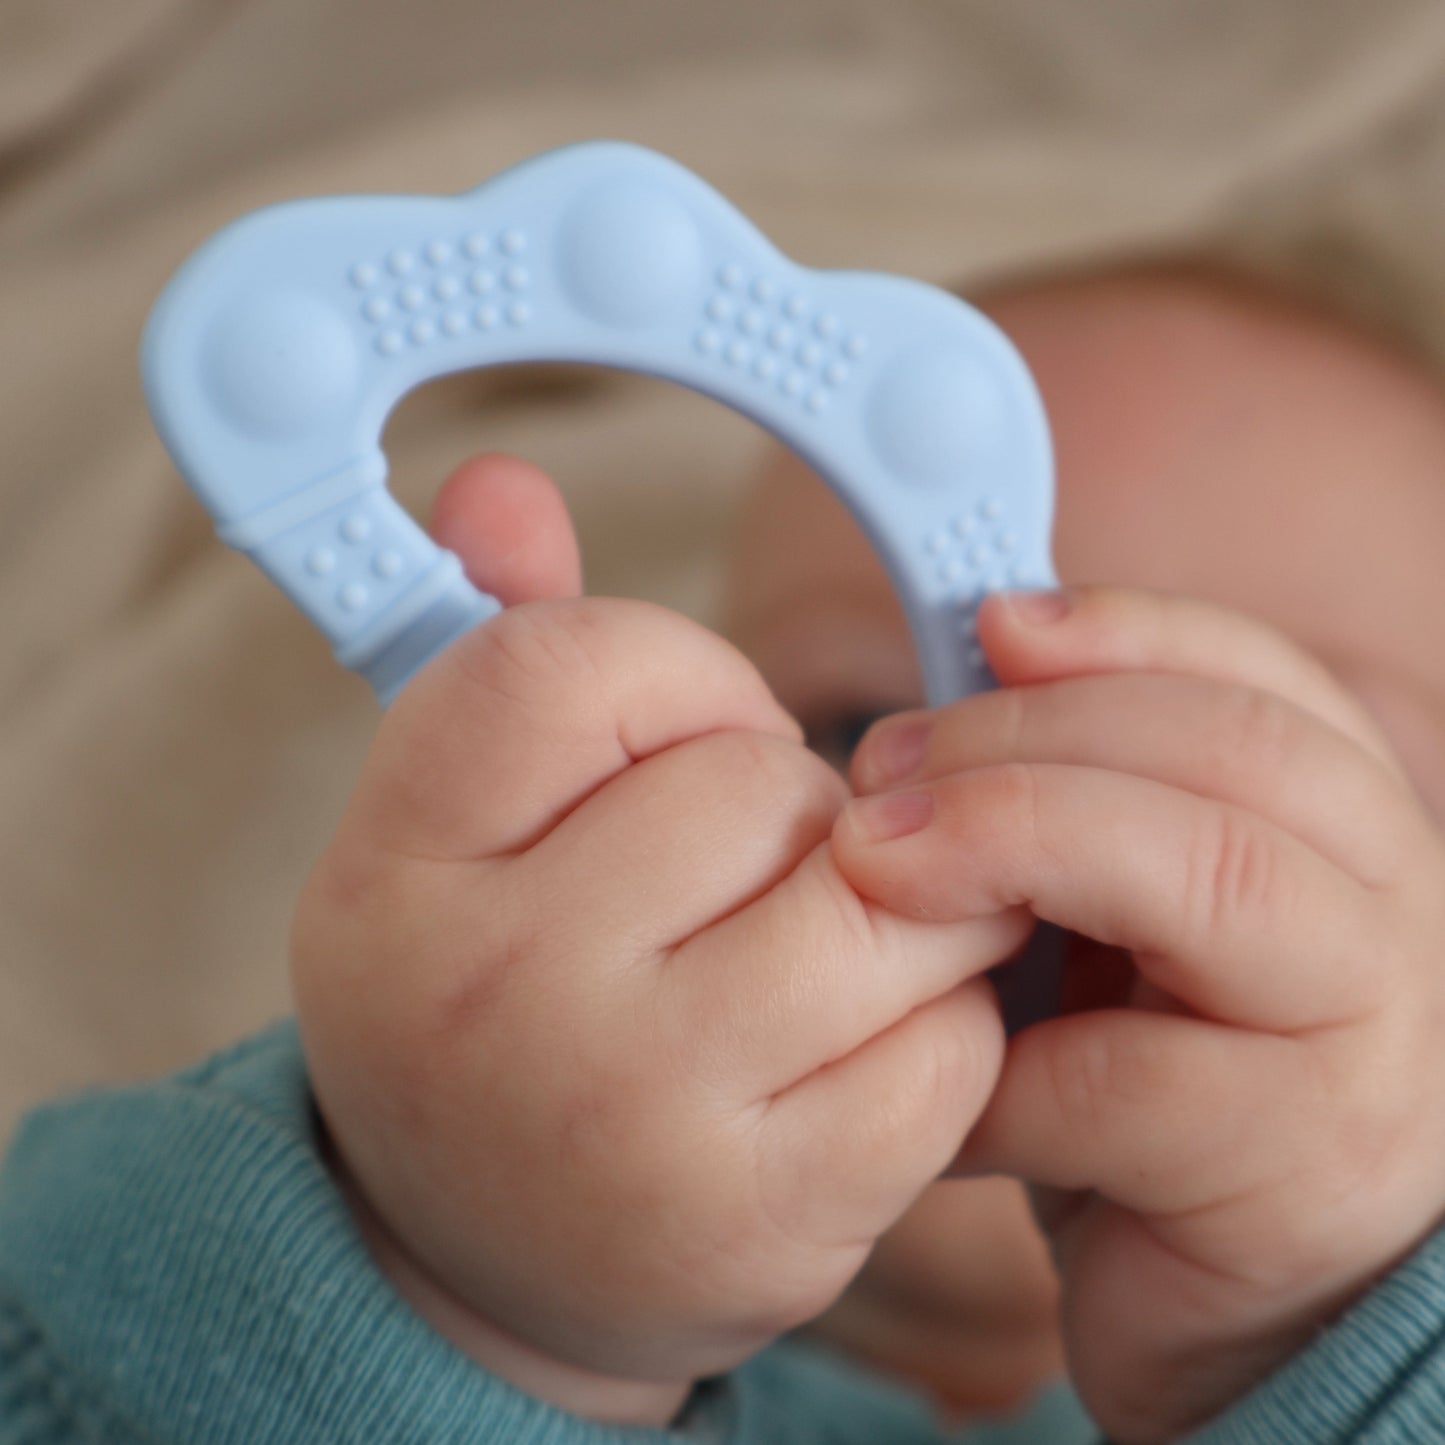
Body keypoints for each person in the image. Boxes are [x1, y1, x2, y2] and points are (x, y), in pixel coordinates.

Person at [4, 264, 1445, 1444]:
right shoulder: (400, 1215)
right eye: (867, 718)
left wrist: (1360, 1334)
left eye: (1291, 786)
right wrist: (452, 1281)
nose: (1055, 862)